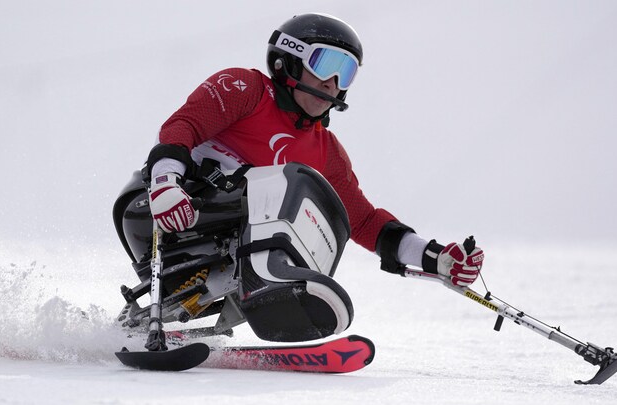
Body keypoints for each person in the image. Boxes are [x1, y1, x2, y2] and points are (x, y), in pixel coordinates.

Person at [145, 12, 484, 288]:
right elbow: (183, 126)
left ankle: (283, 299)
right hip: (170, 210)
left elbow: (363, 221)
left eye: (345, 73)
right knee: (291, 181)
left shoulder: (327, 151)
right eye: (325, 64)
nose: (332, 82)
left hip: (235, 247)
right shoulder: (246, 89)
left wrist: (435, 257)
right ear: (289, 61)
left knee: (308, 195)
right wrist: (165, 182)